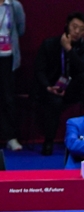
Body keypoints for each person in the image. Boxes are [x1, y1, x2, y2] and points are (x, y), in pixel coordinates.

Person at [34, 11, 84, 156]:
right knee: (55, 101)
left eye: (81, 29)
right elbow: (39, 70)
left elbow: (82, 67)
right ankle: (48, 142)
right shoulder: (49, 44)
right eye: (74, 27)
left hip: (70, 90)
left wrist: (69, 49)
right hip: (49, 89)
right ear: (66, 26)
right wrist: (48, 87)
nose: (77, 32)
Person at [0, 0, 24, 152]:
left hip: (7, 57)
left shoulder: (14, 6)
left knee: (8, 98)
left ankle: (11, 137)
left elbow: (20, 29)